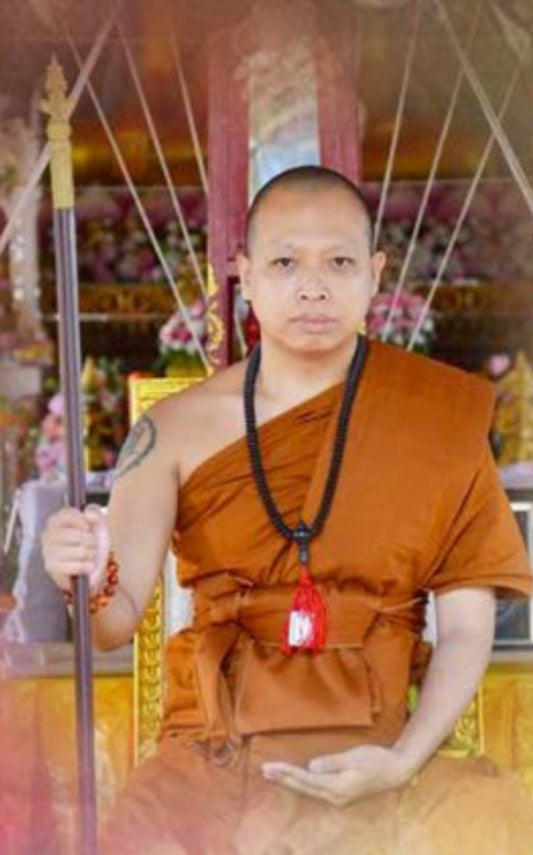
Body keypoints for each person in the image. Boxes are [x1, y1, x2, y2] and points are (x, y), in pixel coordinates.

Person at [42, 166, 533, 855]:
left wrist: (403, 761)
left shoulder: (435, 419)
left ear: (375, 273)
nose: (312, 287)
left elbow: (464, 629)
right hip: (217, 758)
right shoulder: (174, 430)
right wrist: (83, 577)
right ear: (244, 273)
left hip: (381, 751)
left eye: (339, 262)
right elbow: (113, 622)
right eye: (284, 262)